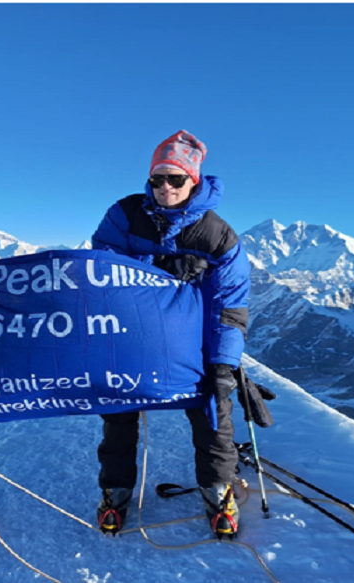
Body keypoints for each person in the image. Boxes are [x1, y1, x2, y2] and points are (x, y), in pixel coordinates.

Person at [91, 131, 251, 539]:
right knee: (118, 410)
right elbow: (101, 270)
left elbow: (230, 309)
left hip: (192, 345)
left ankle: (218, 491)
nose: (165, 187)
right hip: (134, 337)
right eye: (158, 179)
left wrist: (224, 364)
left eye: (175, 180)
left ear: (193, 181)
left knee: (215, 409)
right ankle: (116, 489)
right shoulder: (124, 216)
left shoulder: (219, 237)